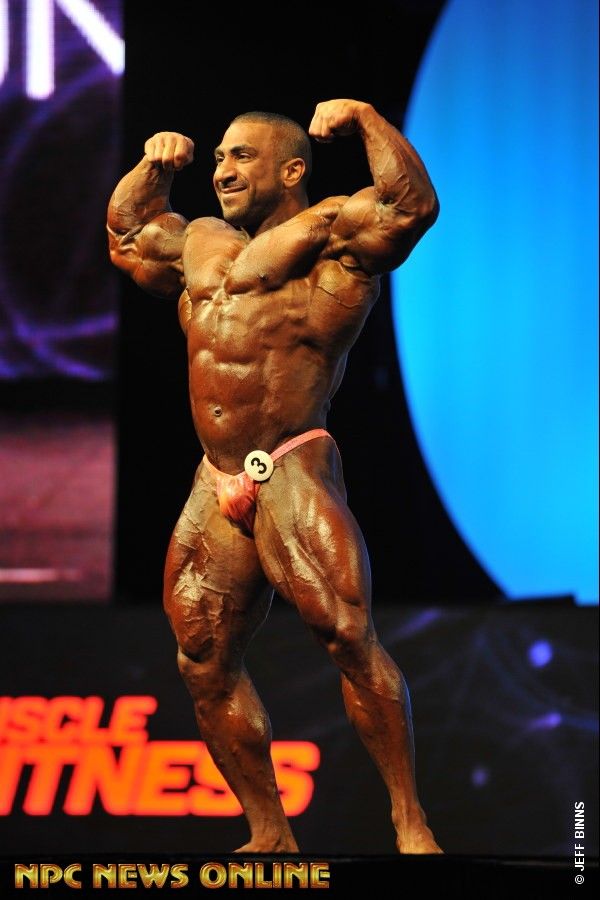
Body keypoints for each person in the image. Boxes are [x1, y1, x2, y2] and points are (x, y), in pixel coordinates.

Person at [107, 99, 441, 854]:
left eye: (241, 157)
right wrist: (153, 167)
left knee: (346, 634)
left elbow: (410, 206)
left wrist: (365, 120)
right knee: (202, 660)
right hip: (213, 475)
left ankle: (409, 822)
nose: (222, 170)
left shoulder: (332, 235)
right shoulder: (198, 242)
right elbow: (125, 235)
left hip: (289, 459)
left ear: (290, 170)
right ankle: (269, 832)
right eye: (219, 157)